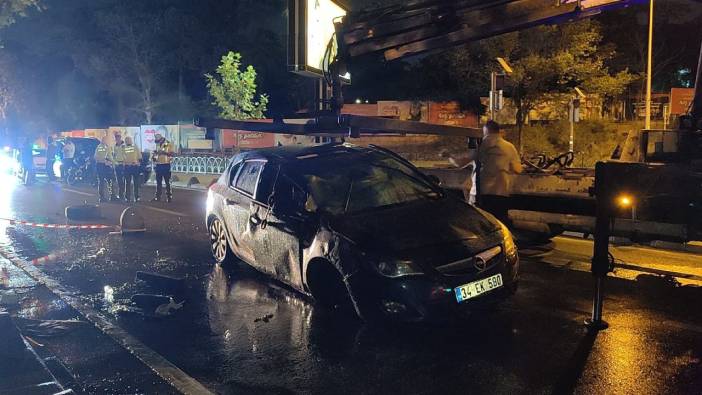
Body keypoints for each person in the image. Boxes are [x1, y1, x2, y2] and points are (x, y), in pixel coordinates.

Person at [442, 120, 523, 225]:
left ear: (485, 131)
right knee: (499, 226)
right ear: (498, 131)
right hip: (500, 193)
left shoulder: (480, 146)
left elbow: (460, 163)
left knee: (479, 225)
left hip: (479, 194)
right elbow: (518, 169)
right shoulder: (509, 147)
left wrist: (449, 156)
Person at [151, 133, 174, 202]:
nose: (157, 142)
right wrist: (154, 157)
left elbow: (172, 154)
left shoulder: (167, 144)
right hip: (159, 165)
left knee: (167, 182)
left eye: (158, 140)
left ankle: (169, 197)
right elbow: (156, 155)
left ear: (161, 139)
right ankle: (158, 197)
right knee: (158, 182)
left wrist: (163, 153)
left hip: (166, 165)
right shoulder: (157, 145)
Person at [94, 137, 115, 202]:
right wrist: (113, 163)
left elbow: (95, 157)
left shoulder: (99, 147)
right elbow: (109, 157)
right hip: (104, 166)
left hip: (100, 165)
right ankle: (112, 196)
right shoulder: (105, 147)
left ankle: (102, 197)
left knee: (101, 182)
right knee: (109, 181)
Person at [123, 136, 141, 202]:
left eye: (128, 140)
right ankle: (129, 197)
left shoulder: (134, 147)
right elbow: (139, 157)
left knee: (133, 183)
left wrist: (138, 162)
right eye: (127, 140)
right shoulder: (125, 148)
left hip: (132, 166)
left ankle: (134, 197)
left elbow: (139, 157)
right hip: (129, 167)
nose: (127, 141)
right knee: (129, 183)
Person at [112, 133, 126, 200]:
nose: (117, 139)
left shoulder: (124, 146)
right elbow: (114, 155)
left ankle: (123, 194)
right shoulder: (115, 146)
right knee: (119, 180)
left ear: (120, 138)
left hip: (123, 164)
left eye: (118, 138)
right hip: (117, 165)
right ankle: (121, 194)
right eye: (116, 138)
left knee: (123, 180)